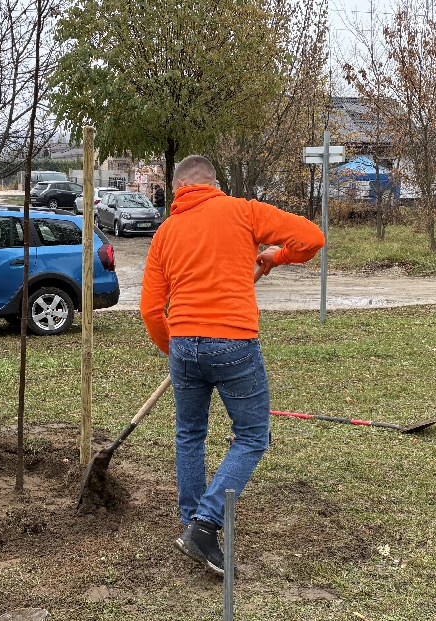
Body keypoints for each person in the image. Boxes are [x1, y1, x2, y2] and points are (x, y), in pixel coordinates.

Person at [140, 155, 325, 576]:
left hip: (184, 343)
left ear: (178, 188)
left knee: (189, 434)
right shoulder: (242, 211)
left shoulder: (166, 232)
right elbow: (312, 238)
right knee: (252, 436)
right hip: (233, 343)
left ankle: (190, 523)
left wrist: (176, 350)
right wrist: (276, 257)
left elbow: (151, 309)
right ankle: (204, 526)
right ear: (214, 183)